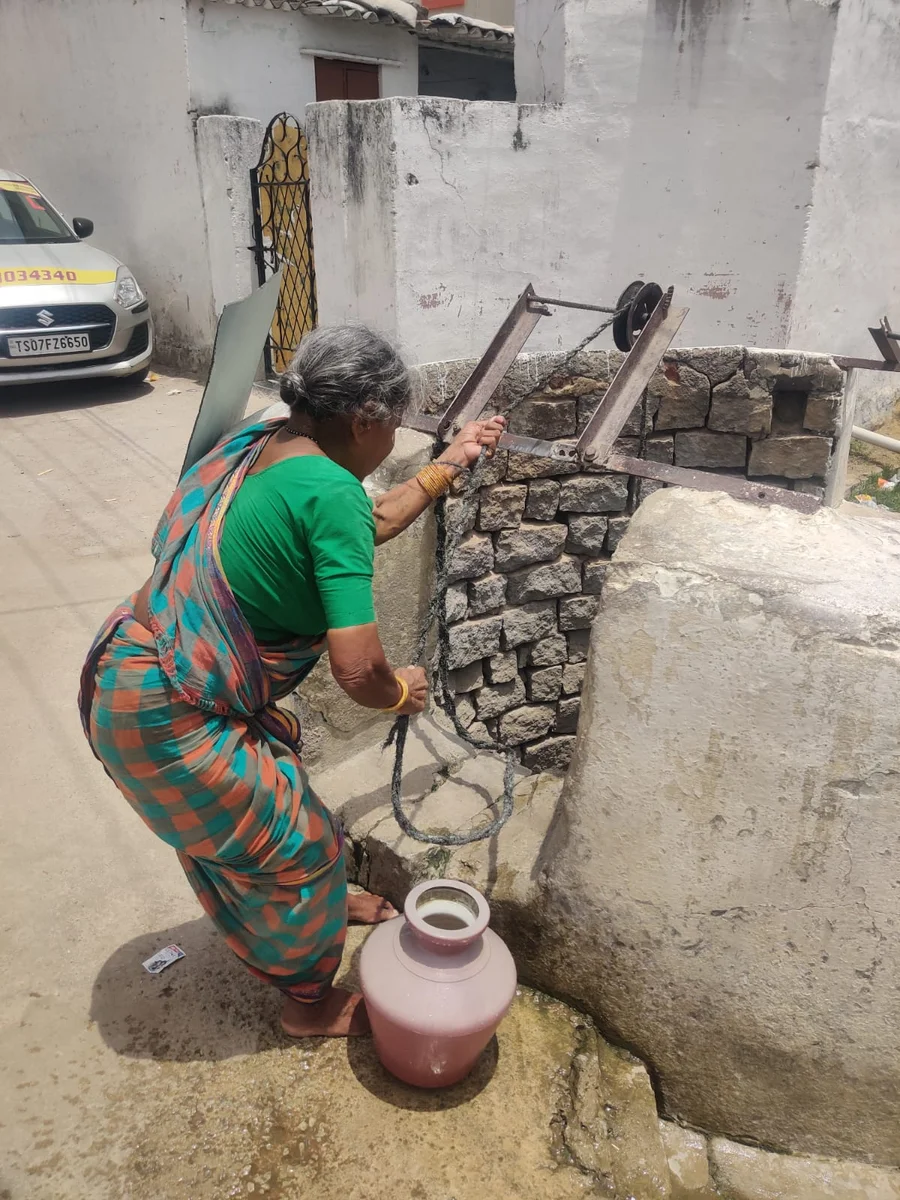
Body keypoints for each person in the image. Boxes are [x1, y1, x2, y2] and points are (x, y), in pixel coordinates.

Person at [78, 325, 505, 1038]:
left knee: (288, 824)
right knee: (300, 851)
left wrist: (450, 463)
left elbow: (365, 520)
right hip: (166, 712)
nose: (393, 444)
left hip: (133, 665)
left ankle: (324, 905)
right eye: (395, 429)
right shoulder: (330, 493)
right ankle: (309, 1003)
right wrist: (402, 692)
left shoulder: (268, 441)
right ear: (365, 419)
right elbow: (358, 669)